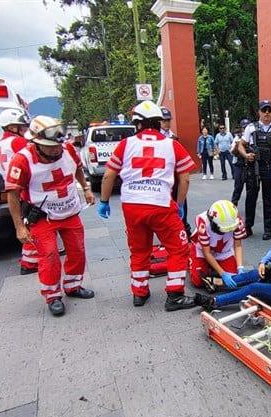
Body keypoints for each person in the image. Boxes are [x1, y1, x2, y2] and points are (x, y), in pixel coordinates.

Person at [98, 100, 198, 311]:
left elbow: (108, 175)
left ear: (138, 123)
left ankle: (139, 293)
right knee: (178, 248)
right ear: (158, 122)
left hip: (132, 205)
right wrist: (179, 204)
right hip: (161, 205)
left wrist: (104, 202)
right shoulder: (172, 145)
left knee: (139, 249)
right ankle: (175, 295)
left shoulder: (126, 144)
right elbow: (185, 178)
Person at [5, 115, 96, 316]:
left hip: (70, 212)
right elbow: (12, 194)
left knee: (77, 251)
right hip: (43, 216)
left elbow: (78, 169)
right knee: (49, 256)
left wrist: (86, 189)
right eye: (50, 147)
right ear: (36, 142)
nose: (56, 150)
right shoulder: (22, 160)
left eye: (57, 146)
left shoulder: (68, 149)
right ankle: (53, 295)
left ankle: (73, 286)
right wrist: (19, 226)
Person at [0, 108, 38, 275]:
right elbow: (35, 157)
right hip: (24, 187)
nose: (25, 130)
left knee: (29, 222)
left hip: (12, 186)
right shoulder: (17, 142)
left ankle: (28, 260)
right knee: (34, 222)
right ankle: (29, 263)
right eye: (22, 127)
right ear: (12, 127)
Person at [240, 100, 271, 240]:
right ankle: (248, 227)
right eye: (264, 110)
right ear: (259, 112)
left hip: (269, 167)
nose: (267, 113)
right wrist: (246, 155)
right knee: (251, 198)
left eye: (269, 110)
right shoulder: (251, 127)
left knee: (269, 199)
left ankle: (268, 229)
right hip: (253, 168)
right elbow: (240, 145)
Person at [189, 199, 246, 292]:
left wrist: (240, 267)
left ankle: (212, 274)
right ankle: (191, 257)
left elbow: (238, 245)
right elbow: (207, 253)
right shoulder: (203, 222)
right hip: (202, 251)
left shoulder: (236, 221)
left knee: (235, 279)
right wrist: (222, 273)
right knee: (197, 281)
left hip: (223, 252)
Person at [160, 106, 191, 234]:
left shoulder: (174, 138)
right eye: (164, 120)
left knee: (181, 204)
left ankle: (183, 231)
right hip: (162, 178)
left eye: (168, 120)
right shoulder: (157, 139)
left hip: (176, 178)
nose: (167, 123)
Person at [230, 118, 252, 207]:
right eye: (244, 127)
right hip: (239, 165)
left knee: (251, 188)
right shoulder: (238, 137)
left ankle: (250, 207)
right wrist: (237, 145)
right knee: (238, 187)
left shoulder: (253, 137)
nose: (245, 129)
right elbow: (232, 152)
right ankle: (233, 205)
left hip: (250, 165)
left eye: (247, 127)